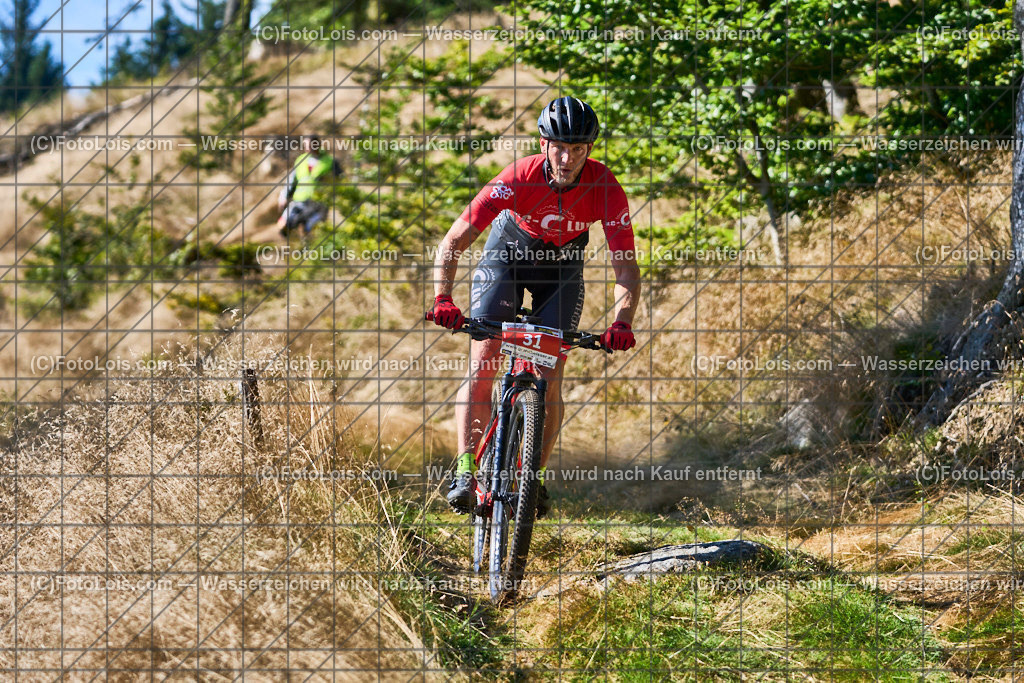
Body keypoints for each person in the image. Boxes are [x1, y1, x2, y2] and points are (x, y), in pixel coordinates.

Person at [430, 96, 641, 516]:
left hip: (560, 272)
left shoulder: (605, 187)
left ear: (590, 150)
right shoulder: (517, 177)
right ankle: (466, 470)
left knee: (549, 377)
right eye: (558, 147)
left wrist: (622, 321)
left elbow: (626, 265)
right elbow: (454, 241)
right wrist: (443, 298)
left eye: (577, 149)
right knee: (485, 359)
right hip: (507, 258)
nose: (567, 158)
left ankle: (534, 478)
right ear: (543, 144)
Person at [277, 134, 342, 238]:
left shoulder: (330, 161)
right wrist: (283, 196)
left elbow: (340, 181)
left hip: (319, 203)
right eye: (306, 145)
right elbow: (291, 180)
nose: (308, 148)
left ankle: (307, 248)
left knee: (311, 231)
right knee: (283, 225)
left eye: (311, 145)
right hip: (299, 200)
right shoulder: (300, 160)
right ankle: (289, 247)